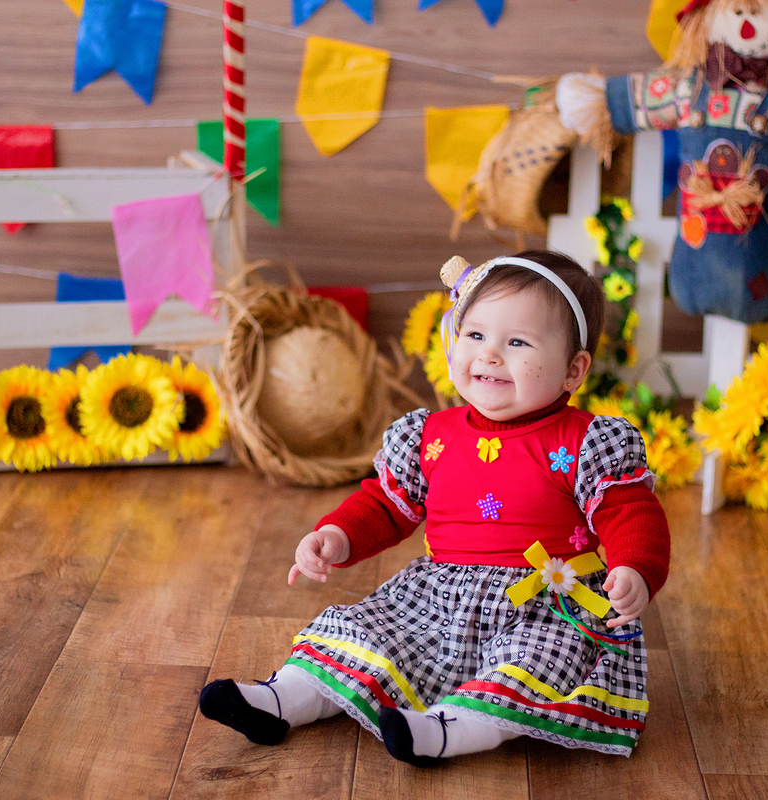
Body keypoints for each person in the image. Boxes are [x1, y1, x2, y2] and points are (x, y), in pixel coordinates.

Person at [199, 249, 671, 765]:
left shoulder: (586, 442)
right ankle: (280, 698)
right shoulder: (429, 436)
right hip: (437, 594)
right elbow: (385, 505)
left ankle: (447, 732)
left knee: (535, 663)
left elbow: (629, 511)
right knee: (363, 630)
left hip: (541, 604)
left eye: (517, 342)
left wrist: (634, 566)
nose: (489, 355)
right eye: (475, 335)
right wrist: (336, 536)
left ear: (572, 370)